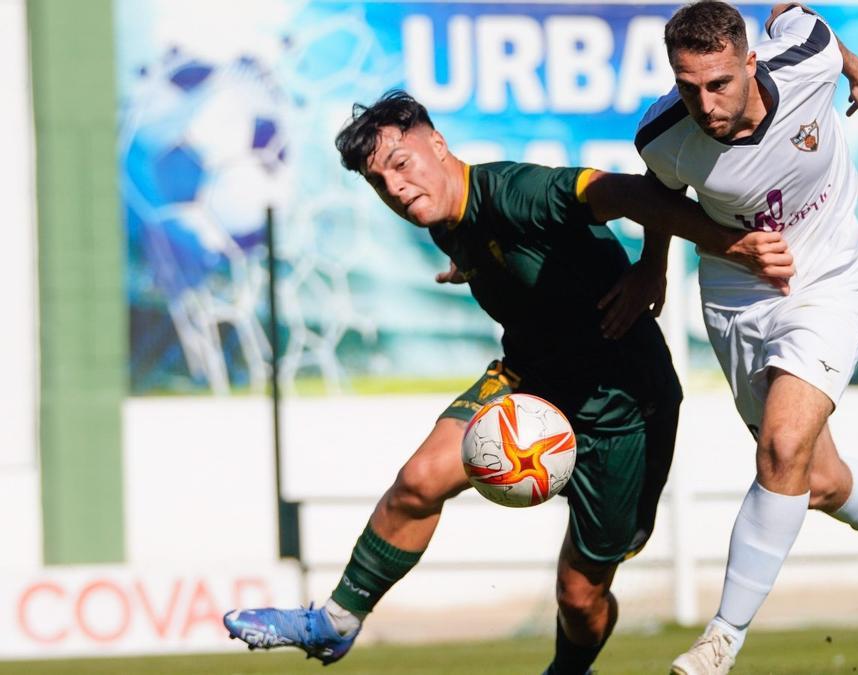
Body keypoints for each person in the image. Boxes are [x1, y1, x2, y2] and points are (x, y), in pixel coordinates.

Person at [222, 90, 795, 674]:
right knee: (419, 480)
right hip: (531, 379)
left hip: (624, 406)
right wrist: (470, 265)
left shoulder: (518, 193)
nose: (394, 188)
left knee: (579, 596)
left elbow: (634, 191)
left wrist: (697, 252)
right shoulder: (444, 218)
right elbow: (498, 251)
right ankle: (335, 623)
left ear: (437, 144)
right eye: (378, 182)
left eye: (401, 164)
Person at [633, 3, 858, 673]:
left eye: (719, 84)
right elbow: (659, 194)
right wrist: (660, 263)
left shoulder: (807, 59)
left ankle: (721, 640)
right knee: (814, 480)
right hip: (737, 302)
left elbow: (802, 18)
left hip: (827, 283)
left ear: (750, 61)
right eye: (688, 86)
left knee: (782, 447)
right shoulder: (662, 134)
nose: (704, 103)